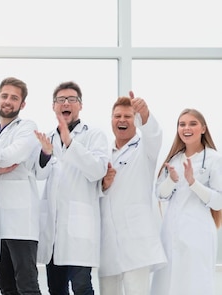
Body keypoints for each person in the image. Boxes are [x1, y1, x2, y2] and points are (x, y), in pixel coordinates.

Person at [33, 81, 109, 295]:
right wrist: (46, 153)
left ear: (80, 105)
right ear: (53, 106)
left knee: (81, 286)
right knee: (56, 289)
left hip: (79, 228)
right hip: (53, 230)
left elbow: (97, 171)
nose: (66, 103)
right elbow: (40, 174)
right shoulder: (47, 137)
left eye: (71, 99)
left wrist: (70, 143)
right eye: (61, 100)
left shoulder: (94, 135)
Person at [98, 94, 166, 295]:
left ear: (136, 120)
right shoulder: (103, 153)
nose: (122, 120)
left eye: (128, 116)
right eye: (117, 116)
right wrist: (103, 185)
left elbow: (154, 135)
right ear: (111, 120)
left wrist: (145, 115)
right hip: (108, 242)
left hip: (136, 240)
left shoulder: (144, 149)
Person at [150, 108, 222, 295]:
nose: (186, 128)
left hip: (198, 232)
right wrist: (171, 180)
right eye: (182, 124)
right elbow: (160, 194)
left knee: (194, 283)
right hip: (171, 231)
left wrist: (193, 182)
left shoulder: (214, 159)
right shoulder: (173, 160)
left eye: (192, 124)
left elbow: (218, 202)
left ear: (203, 129)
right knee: (166, 283)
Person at [0, 77, 42, 295]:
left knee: (27, 286)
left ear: (22, 105)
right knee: (6, 287)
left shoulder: (28, 127)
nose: (8, 101)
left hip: (21, 224)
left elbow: (11, 156)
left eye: (14, 98)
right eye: (4, 96)